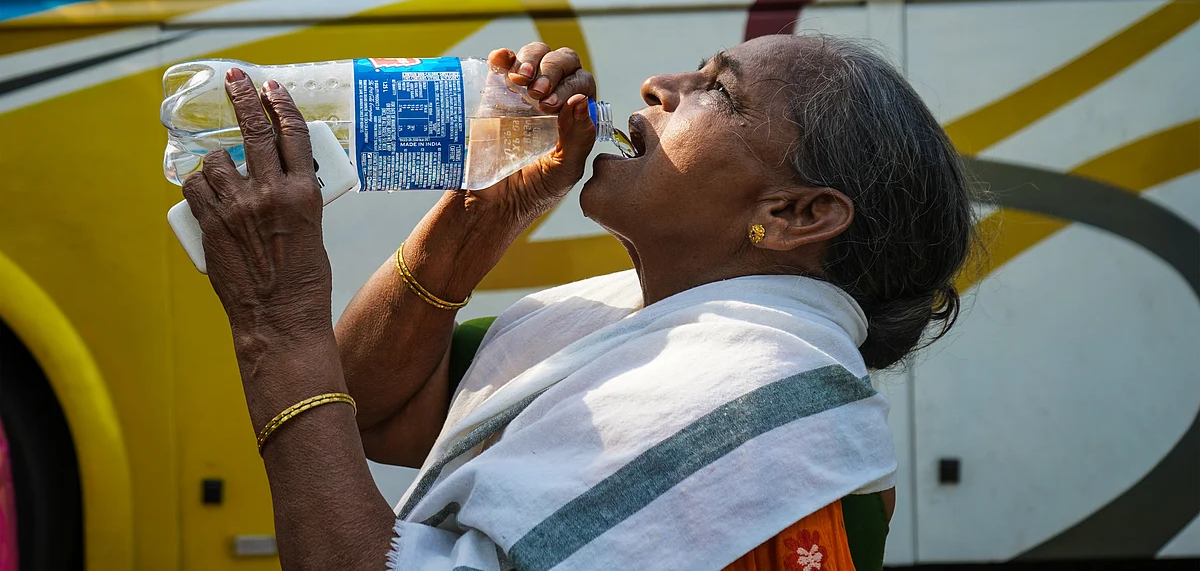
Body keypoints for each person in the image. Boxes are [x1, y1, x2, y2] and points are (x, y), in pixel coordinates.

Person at [182, 33, 974, 570]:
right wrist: (481, 213)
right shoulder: (632, 325)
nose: (660, 86)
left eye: (718, 92)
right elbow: (371, 410)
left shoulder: (757, 392)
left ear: (796, 215)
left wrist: (277, 321)